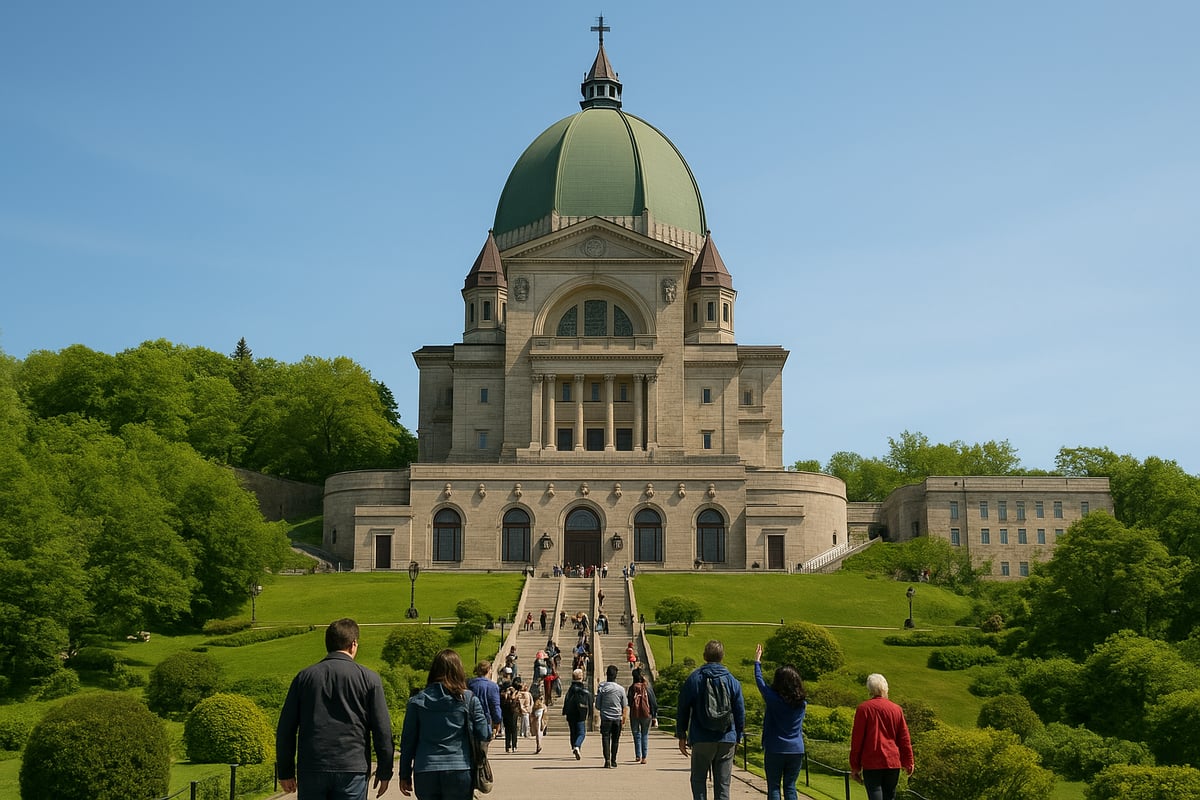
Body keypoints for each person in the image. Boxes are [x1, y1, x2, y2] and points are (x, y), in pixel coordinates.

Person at [276, 618, 394, 799]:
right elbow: (382, 730)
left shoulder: (305, 677)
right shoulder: (369, 679)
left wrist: (285, 771)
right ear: (353, 644)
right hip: (352, 767)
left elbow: (286, 728)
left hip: (313, 766)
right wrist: (384, 771)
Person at [397, 649, 491, 800]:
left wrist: (404, 774)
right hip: (460, 767)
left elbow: (408, 741)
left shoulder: (416, 701)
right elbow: (484, 734)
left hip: (426, 769)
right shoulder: (469, 699)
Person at [677, 639, 745, 800]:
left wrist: (681, 734)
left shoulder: (695, 678)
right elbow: (740, 711)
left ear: (704, 656)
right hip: (727, 736)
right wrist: (739, 735)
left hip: (701, 737)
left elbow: (683, 707)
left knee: (699, 780)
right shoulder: (732, 681)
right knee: (723, 784)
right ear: (722, 657)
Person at [754, 644, 807, 800]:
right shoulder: (802, 703)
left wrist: (757, 662)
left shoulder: (773, 700)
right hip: (796, 748)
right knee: (790, 787)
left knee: (774, 787)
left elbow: (760, 682)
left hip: (775, 748)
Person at [849, 673, 914, 800]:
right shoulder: (896, 709)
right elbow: (904, 739)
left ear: (869, 689)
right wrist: (908, 761)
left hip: (871, 761)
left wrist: (855, 766)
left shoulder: (864, 709)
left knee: (875, 794)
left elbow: (857, 740)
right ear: (886, 688)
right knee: (890, 796)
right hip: (892, 761)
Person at [596, 664, 628, 768]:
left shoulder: (602, 688)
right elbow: (624, 705)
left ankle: (607, 760)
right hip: (617, 718)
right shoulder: (621, 689)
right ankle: (614, 759)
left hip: (605, 718)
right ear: (616, 675)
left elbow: (597, 705)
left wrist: (603, 709)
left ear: (607, 674)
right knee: (615, 739)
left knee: (605, 738)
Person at [626, 667, 658, 765]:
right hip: (646, 713)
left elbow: (629, 702)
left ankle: (637, 755)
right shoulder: (647, 687)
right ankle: (644, 757)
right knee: (645, 734)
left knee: (636, 735)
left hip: (634, 714)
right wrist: (654, 715)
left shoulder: (632, 688)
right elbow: (653, 702)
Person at [561, 667, 593, 760]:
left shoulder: (571, 689)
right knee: (581, 732)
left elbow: (566, 700)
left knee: (573, 732)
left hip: (570, 713)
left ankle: (575, 747)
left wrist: (565, 710)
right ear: (581, 677)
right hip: (580, 712)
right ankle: (577, 746)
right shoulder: (582, 688)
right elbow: (588, 699)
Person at [467, 660, 503, 740]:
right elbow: (495, 706)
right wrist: (497, 721)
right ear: (489, 670)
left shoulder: (470, 684)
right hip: (485, 721)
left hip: (469, 720)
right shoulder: (492, 686)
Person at [501, 680, 521, 753]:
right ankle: (508, 746)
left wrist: (515, 693)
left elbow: (516, 701)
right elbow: (510, 700)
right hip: (507, 713)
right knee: (509, 730)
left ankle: (513, 745)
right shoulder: (503, 694)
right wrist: (510, 694)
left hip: (513, 713)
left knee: (513, 730)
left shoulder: (515, 693)